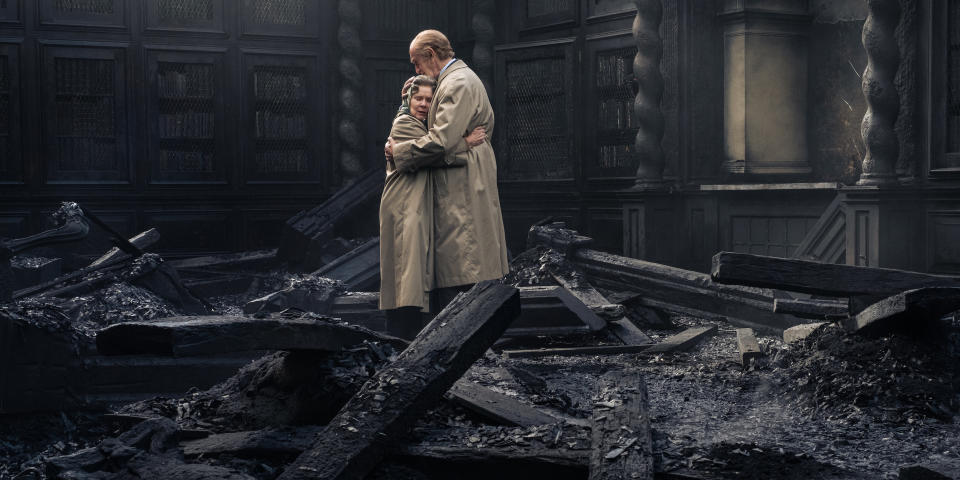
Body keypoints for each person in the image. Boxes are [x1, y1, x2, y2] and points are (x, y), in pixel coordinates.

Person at [385, 29, 510, 310]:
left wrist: (399, 152)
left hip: (462, 180)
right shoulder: (453, 80)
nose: (416, 69)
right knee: (465, 259)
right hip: (462, 174)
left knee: (464, 259)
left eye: (417, 62)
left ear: (431, 55)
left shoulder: (456, 84)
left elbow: (441, 142)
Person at [379, 75, 486, 340]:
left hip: (414, 204)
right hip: (403, 205)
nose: (424, 104)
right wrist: (466, 142)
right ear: (408, 100)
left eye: (429, 99)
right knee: (407, 269)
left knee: (413, 270)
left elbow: (434, 143)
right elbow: (435, 150)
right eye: (418, 98)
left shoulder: (422, 125)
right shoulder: (405, 124)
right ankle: (401, 334)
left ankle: (411, 334)